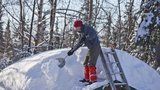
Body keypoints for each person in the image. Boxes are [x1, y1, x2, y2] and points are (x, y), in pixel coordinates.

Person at [67, 20, 101, 84]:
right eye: (75, 27)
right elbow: (79, 43)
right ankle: (87, 79)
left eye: (77, 27)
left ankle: (93, 80)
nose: (76, 29)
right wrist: (72, 51)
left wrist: (86, 38)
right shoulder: (81, 33)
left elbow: (93, 35)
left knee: (91, 64)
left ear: (80, 26)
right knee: (85, 63)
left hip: (95, 47)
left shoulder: (88, 28)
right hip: (91, 48)